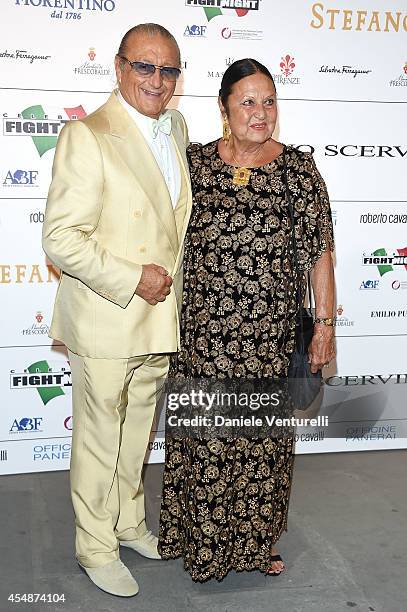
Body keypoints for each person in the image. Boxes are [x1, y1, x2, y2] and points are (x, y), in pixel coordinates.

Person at [158, 58, 335, 582]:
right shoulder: (193, 164)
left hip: (270, 340)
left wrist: (323, 325)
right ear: (223, 107)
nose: (261, 114)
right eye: (248, 102)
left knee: (261, 449)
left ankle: (255, 544)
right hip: (203, 338)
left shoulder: (298, 171)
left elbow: (320, 252)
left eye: (270, 101)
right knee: (206, 441)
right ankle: (202, 541)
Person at [42, 24, 192, 597]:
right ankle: (95, 546)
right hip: (109, 313)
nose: (157, 80)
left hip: (157, 317)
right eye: (145, 67)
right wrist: (134, 278)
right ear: (119, 66)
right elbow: (61, 239)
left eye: (169, 70)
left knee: (135, 436)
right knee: (101, 438)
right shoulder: (88, 135)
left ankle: (127, 524)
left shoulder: (175, 127)